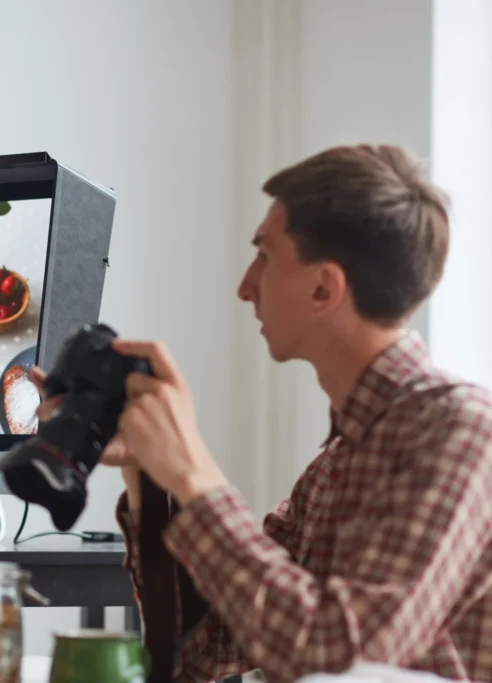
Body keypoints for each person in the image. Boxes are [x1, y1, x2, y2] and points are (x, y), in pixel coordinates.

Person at [36, 144, 492, 683]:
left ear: (324, 286)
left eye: (265, 257)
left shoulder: (460, 432)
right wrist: (150, 474)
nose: (245, 286)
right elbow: (205, 650)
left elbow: (344, 661)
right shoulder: (339, 461)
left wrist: (196, 475)